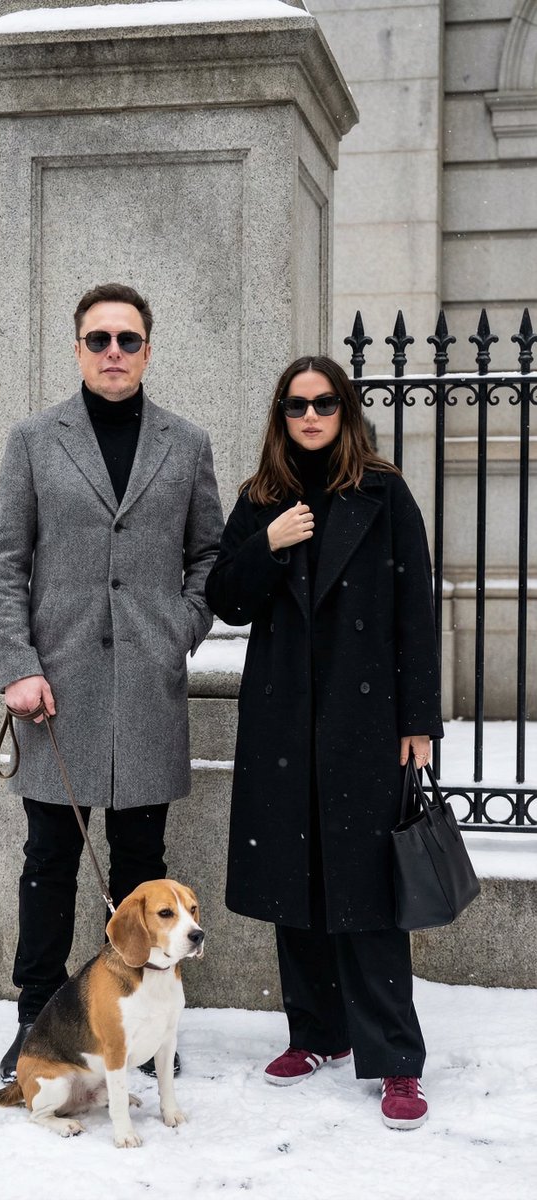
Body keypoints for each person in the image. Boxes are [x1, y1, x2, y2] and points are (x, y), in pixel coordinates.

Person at [0, 282, 224, 1083]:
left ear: (148, 350)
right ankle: (36, 1021)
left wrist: (179, 630)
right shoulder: (32, 441)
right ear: (78, 349)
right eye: (98, 340)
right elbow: (6, 561)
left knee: (141, 862)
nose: (113, 353)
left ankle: (145, 1028)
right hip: (56, 688)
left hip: (147, 689)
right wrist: (17, 663)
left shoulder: (185, 445)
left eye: (127, 340)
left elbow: (209, 556)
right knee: (50, 858)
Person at [205, 355, 443, 1131]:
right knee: (294, 882)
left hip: (364, 722)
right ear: (280, 416)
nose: (309, 417)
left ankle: (396, 1060)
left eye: (324, 404)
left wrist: (419, 721)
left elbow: (416, 609)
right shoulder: (260, 500)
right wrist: (268, 542)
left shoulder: (382, 490)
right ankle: (315, 1033)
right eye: (295, 406)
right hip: (282, 717)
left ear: (345, 411)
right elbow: (225, 600)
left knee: (367, 894)